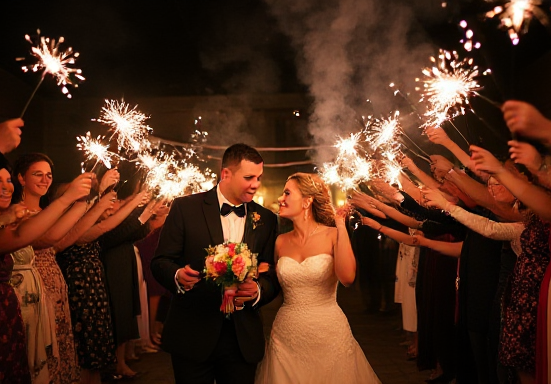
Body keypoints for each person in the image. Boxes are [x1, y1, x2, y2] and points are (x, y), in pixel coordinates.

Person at [151, 143, 281, 384]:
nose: (256, 184)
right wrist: (178, 275)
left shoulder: (266, 219)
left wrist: (259, 290)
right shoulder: (185, 208)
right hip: (192, 332)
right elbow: (160, 262)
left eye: (259, 177)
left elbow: (273, 271)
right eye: (249, 177)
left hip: (242, 337)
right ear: (226, 174)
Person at [255, 172, 381, 384]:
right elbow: (272, 285)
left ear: (307, 201)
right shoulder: (279, 242)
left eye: (287, 193)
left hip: (329, 333)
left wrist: (340, 225)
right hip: (287, 336)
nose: (280, 199)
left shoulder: (333, 235)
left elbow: (347, 278)